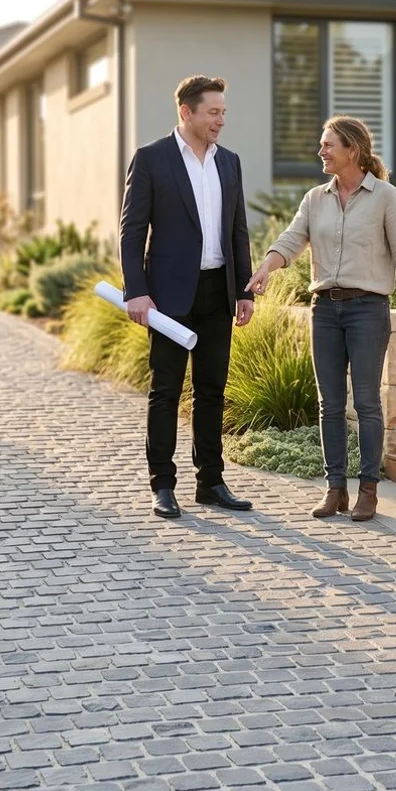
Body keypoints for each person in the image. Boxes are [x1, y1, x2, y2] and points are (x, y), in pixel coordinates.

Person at [247, 115, 396, 522]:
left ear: (352, 151)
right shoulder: (315, 198)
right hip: (324, 309)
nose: (320, 151)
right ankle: (335, 489)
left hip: (367, 309)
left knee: (366, 403)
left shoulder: (386, 197)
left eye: (328, 145)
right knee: (329, 404)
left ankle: (369, 492)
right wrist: (266, 267)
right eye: (322, 144)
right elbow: (292, 239)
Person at [120, 75, 256, 519]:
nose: (221, 120)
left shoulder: (229, 162)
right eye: (213, 112)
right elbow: (132, 229)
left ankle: (211, 482)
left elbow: (238, 228)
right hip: (169, 296)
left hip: (218, 290)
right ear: (187, 112)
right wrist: (136, 291)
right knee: (165, 390)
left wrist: (245, 289)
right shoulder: (152, 159)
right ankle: (163, 484)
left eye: (223, 112)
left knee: (212, 390)